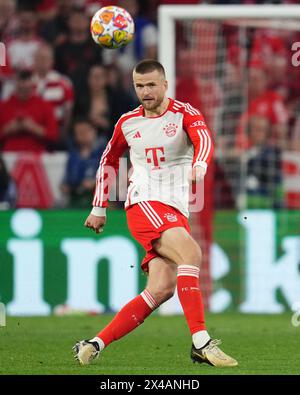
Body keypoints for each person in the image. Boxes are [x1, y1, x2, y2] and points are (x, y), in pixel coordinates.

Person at [73, 59, 238, 368]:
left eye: (151, 85)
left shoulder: (184, 113)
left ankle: (94, 344)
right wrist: (99, 207)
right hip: (144, 201)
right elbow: (109, 161)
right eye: (139, 86)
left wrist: (200, 163)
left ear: (164, 85)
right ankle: (201, 342)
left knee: (161, 289)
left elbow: (204, 139)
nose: (145, 92)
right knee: (190, 253)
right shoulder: (127, 122)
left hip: (174, 207)